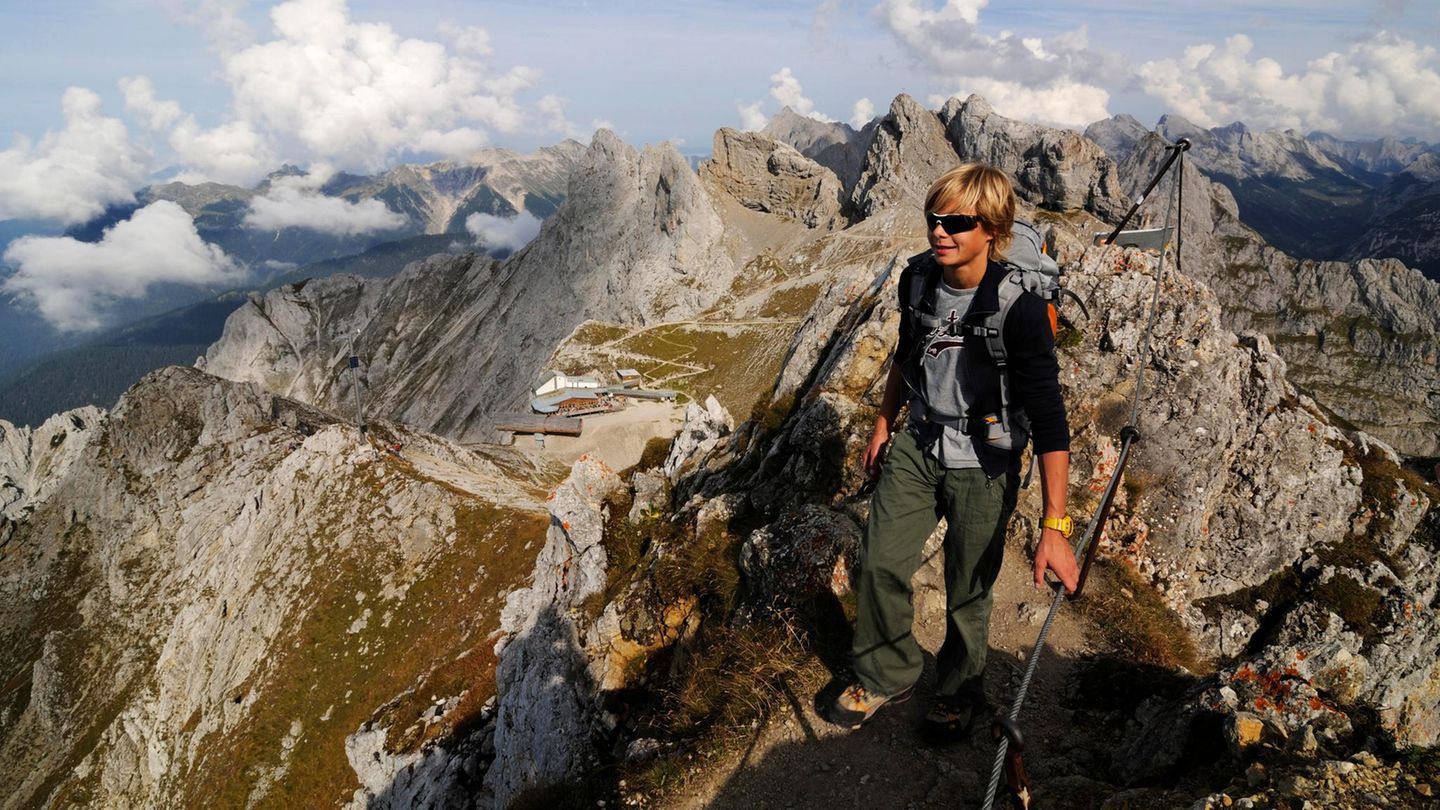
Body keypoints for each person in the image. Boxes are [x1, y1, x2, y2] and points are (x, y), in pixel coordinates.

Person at [821, 163, 1079, 744]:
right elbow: (906, 356)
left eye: (957, 222)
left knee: (969, 587)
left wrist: (1054, 526)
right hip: (920, 441)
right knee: (880, 560)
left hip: (986, 458)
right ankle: (890, 671)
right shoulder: (917, 281)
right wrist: (885, 424)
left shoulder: (1019, 307)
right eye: (934, 219)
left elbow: (1049, 418)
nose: (940, 231)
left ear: (991, 229)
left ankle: (960, 689)